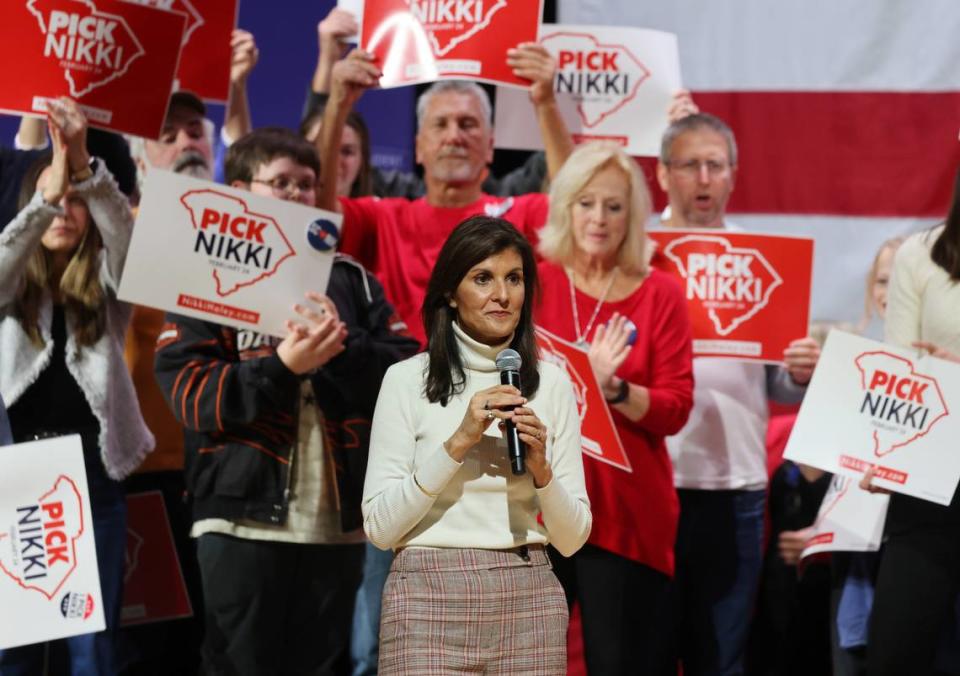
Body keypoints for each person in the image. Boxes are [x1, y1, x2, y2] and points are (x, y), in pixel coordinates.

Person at [154, 127, 418, 676]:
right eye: (282, 184)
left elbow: (407, 376)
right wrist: (282, 368)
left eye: (306, 184)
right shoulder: (203, 274)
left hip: (337, 526)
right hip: (240, 518)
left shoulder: (353, 281)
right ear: (242, 192)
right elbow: (189, 393)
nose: (297, 196)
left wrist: (339, 351)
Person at [362, 216, 591, 675]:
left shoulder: (552, 384)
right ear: (451, 291)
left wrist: (543, 471)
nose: (502, 295)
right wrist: (458, 442)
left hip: (528, 595)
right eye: (482, 278)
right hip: (426, 597)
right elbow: (381, 528)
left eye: (514, 279)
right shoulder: (407, 380)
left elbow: (573, 538)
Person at [654, 111, 822, 676]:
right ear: (663, 174)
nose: (703, 178)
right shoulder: (637, 255)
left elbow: (778, 385)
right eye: (690, 165)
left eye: (715, 166)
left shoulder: (761, 257)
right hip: (654, 482)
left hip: (737, 489)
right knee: (647, 649)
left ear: (733, 174)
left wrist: (799, 373)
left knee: (721, 656)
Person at [0, 98, 153, 674]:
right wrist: (47, 192)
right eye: (51, 199)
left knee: (92, 647)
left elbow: (128, 241)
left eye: (74, 203)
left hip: (92, 479)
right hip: (13, 479)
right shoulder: (12, 286)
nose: (64, 209)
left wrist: (85, 169)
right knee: (11, 645)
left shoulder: (111, 288)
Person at [532, 142, 695, 673]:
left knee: (622, 661)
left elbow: (675, 407)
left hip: (626, 513)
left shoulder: (661, 294)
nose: (598, 218)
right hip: (536, 507)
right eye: (586, 203)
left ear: (633, 216)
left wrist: (614, 389)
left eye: (614, 206)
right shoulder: (534, 282)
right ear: (565, 207)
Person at [317, 45, 574, 345]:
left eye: (467, 124)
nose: (454, 136)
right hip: (402, 383)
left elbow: (574, 204)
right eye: (440, 124)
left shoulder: (519, 215)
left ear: (490, 146)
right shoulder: (385, 219)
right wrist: (337, 105)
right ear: (418, 147)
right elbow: (316, 216)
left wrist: (545, 103)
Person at [865, 165, 960, 676]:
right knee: (895, 656)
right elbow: (896, 368)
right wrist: (880, 454)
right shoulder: (920, 254)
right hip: (929, 488)